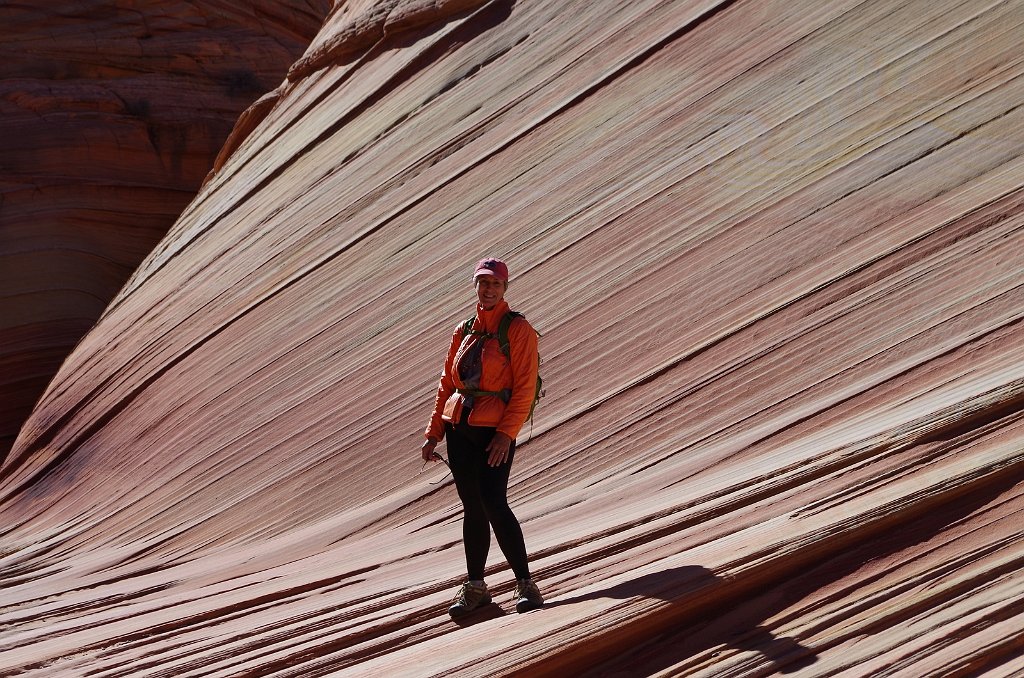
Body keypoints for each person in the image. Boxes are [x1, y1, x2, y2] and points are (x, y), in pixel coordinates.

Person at [422, 257, 544, 618]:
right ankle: (476, 586)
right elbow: (447, 383)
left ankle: (526, 584)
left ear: (505, 288)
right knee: (472, 507)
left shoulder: (517, 329)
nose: (488, 290)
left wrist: (507, 434)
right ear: (475, 287)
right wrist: (433, 432)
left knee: (494, 503)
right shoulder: (463, 330)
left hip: (494, 433)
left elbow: (524, 387)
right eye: (483, 283)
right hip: (460, 429)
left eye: (495, 284)